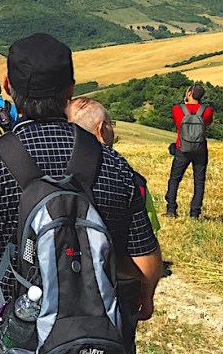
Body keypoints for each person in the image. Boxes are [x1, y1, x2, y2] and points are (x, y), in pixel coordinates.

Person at [0, 33, 162, 354]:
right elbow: (146, 261)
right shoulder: (112, 164)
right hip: (92, 330)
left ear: (8, 86)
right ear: (71, 89)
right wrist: (145, 298)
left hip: (8, 328)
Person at [67, 96, 161, 354]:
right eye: (111, 124)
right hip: (114, 293)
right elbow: (145, 252)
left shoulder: (51, 167)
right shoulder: (125, 175)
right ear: (101, 129)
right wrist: (147, 295)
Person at [164, 83, 214, 219]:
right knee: (199, 181)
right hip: (200, 149)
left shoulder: (177, 109)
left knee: (174, 179)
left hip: (182, 148)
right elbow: (207, 124)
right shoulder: (207, 110)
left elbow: (176, 123)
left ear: (190, 93)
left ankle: (171, 209)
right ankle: (194, 213)